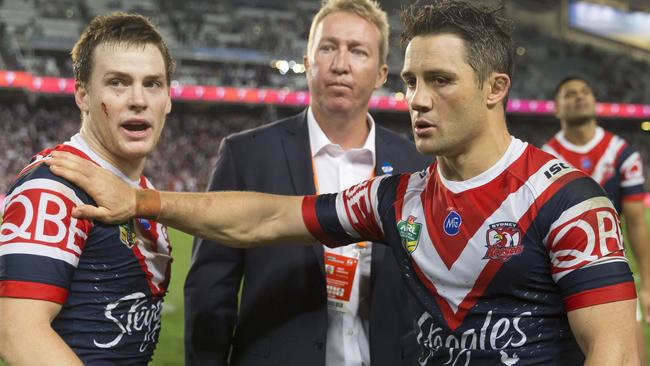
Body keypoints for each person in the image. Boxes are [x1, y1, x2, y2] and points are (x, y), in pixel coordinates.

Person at [44, 1, 639, 365]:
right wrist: (145, 200)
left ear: (495, 88)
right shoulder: (398, 197)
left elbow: (615, 352)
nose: (418, 100)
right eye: (410, 81)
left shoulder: (568, 201)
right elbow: (267, 218)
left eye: (440, 80)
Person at [184, 1, 430, 365]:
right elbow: (210, 290)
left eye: (357, 51)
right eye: (328, 47)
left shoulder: (418, 167)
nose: (340, 64)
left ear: (381, 74)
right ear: (307, 60)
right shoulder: (247, 155)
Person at [0, 12, 174, 365]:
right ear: (82, 94)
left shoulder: (145, 191)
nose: (138, 99)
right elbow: (16, 333)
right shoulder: (53, 188)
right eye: (118, 83)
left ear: (168, 99)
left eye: (152, 83)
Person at [543, 75, 649, 364]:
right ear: (556, 108)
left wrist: (648, 282)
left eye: (585, 91)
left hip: (613, 270)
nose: (579, 97)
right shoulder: (546, 158)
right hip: (560, 277)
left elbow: (637, 222)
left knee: (631, 356)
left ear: (594, 101)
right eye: (569, 94)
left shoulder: (623, 153)